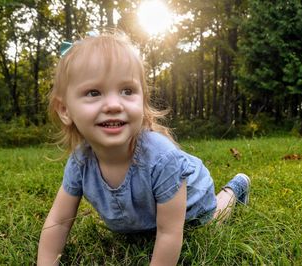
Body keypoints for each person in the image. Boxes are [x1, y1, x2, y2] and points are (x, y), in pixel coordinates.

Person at [37, 31, 251, 266]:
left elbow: (169, 233)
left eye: (127, 91)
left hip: (191, 201)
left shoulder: (161, 158)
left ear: (142, 100)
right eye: (94, 93)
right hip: (148, 217)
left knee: (211, 220)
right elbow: (58, 221)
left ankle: (234, 189)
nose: (113, 105)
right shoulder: (81, 161)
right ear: (65, 109)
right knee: (150, 231)